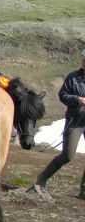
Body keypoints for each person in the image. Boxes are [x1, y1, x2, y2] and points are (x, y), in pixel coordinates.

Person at [32, 49, 85, 199]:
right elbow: (63, 95)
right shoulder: (73, 77)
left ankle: (84, 190)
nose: (84, 62)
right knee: (68, 155)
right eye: (83, 59)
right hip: (75, 121)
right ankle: (42, 178)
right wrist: (77, 100)